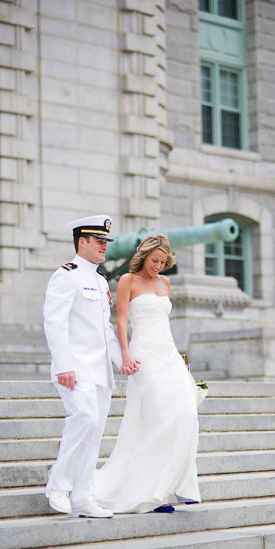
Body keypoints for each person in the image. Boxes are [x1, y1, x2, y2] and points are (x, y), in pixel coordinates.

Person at [92, 233, 201, 514]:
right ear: (144, 256)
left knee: (186, 412)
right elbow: (122, 319)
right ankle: (156, 493)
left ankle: (175, 483)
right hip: (144, 356)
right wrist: (125, 354)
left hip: (168, 353)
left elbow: (164, 323)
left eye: (163, 262)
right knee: (158, 419)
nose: (159, 266)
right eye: (155, 260)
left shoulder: (165, 282)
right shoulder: (128, 281)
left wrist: (180, 358)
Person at [43, 214, 132, 519]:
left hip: (99, 372)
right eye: (99, 241)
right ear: (82, 242)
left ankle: (82, 496)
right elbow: (54, 324)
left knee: (94, 432)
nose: (104, 246)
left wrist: (122, 361)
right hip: (75, 369)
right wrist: (63, 365)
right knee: (84, 417)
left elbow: (105, 330)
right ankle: (57, 484)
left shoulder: (99, 279)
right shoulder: (66, 275)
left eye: (106, 241)